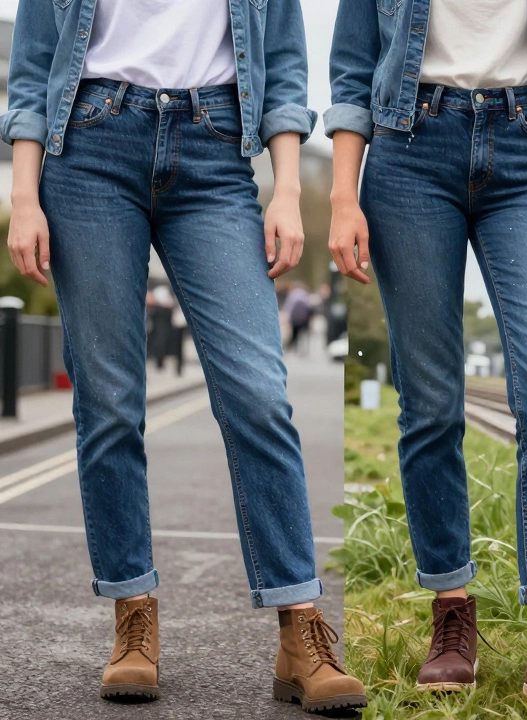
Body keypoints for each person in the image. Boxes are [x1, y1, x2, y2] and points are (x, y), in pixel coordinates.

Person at [1, 0, 367, 711]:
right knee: (108, 403)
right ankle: (133, 613)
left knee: (259, 392)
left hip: (214, 147)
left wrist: (286, 189)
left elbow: (286, 61)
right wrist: (24, 194)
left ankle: (301, 627)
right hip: (89, 146)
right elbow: (34, 62)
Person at [326, 0, 527, 715]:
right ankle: (451, 614)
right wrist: (340, 194)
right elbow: (353, 63)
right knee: (430, 403)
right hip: (407, 149)